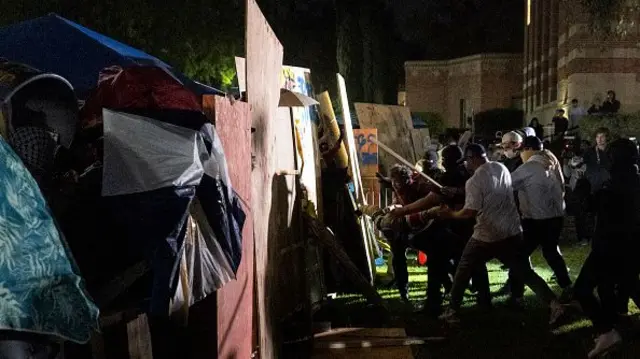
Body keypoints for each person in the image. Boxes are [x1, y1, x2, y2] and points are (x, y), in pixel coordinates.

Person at [435, 144, 565, 325]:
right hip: (511, 231)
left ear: (473, 158)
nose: (466, 165)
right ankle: (555, 304)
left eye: (467, 161)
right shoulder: (501, 167)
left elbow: (469, 212)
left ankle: (452, 311)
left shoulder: (473, 181)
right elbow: (492, 191)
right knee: (525, 272)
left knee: (463, 269)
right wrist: (458, 192)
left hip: (486, 235)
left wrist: (449, 214)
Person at [389, 145, 491, 318]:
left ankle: (435, 304)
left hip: (453, 227)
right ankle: (483, 300)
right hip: (471, 226)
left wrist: (403, 211)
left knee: (438, 263)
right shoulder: (472, 174)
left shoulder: (451, 176)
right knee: (473, 263)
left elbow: (430, 200)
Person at [573, 138, 640, 358]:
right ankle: (611, 328)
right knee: (612, 288)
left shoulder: (614, 187)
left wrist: (582, 189)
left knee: (583, 289)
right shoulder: (634, 180)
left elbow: (591, 208)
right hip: (630, 247)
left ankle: (607, 332)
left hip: (608, 248)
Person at [509, 136, 573, 303]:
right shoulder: (551, 159)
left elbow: (506, 183)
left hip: (536, 219)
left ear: (529, 149)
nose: (520, 155)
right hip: (556, 215)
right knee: (551, 252)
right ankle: (567, 286)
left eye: (522, 150)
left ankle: (516, 296)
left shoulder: (528, 167)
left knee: (518, 256)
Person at [583, 127, 611, 195]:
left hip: (608, 186)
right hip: (593, 186)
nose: (599, 139)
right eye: (597, 137)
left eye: (602, 137)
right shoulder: (589, 151)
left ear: (606, 138)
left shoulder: (611, 151)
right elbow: (584, 165)